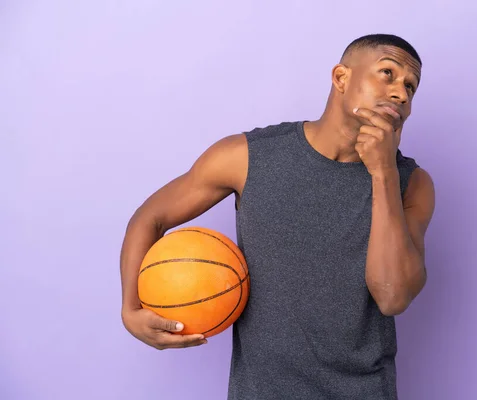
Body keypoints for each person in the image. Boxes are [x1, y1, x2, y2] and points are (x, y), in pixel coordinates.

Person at [120, 33, 435, 400]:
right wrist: (130, 309)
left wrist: (382, 172)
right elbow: (150, 217)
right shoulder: (248, 157)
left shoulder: (411, 184)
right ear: (341, 78)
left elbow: (393, 297)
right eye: (387, 73)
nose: (400, 93)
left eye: (410, 88)